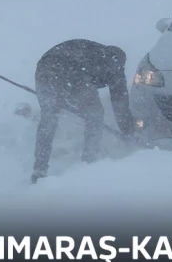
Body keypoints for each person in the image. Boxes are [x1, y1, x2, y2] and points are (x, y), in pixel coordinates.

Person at [31, 39, 134, 183]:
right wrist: (128, 131)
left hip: (45, 68)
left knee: (49, 117)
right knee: (96, 114)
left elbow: (118, 101)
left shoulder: (95, 50)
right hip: (72, 72)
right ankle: (88, 163)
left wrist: (60, 96)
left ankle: (39, 170)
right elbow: (120, 103)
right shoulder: (113, 66)